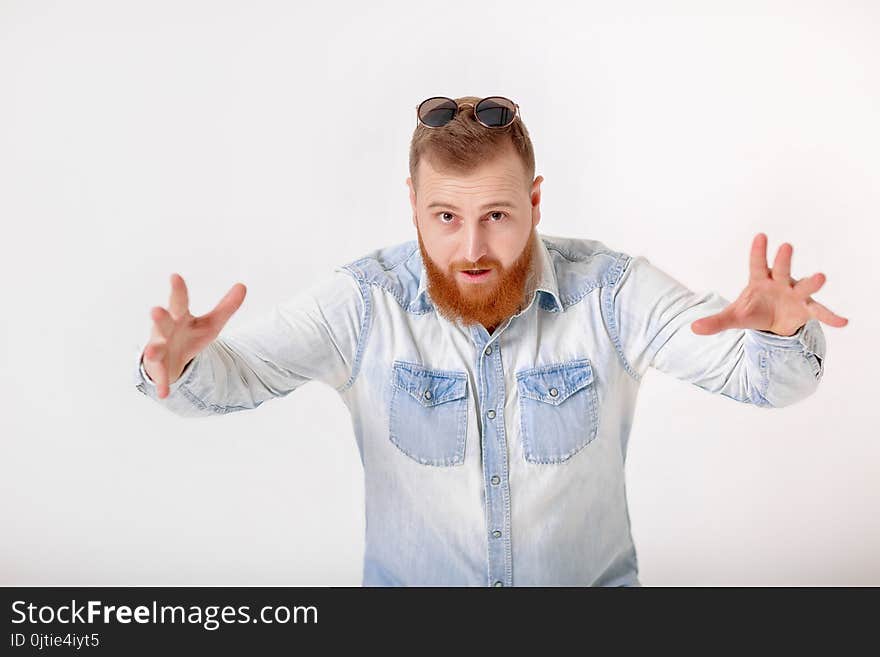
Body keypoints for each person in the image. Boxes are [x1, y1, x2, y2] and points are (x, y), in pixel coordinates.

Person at [133, 95, 847, 586]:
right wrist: (182, 363)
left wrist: (781, 331)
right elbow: (238, 377)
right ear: (411, 203)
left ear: (535, 201)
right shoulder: (364, 302)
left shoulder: (610, 293)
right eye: (444, 215)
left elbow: (767, 380)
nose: (472, 248)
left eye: (499, 215)